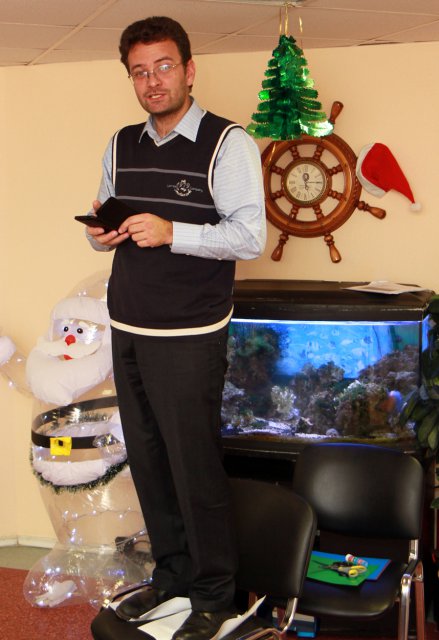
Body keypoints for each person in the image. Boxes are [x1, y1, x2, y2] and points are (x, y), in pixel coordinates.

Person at [83, 15, 266, 640]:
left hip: (190, 334)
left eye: (164, 67)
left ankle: (215, 595)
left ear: (189, 70)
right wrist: (100, 234)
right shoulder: (120, 144)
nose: (153, 81)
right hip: (128, 325)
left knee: (194, 470)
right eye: (140, 72)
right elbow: (101, 228)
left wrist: (172, 232)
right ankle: (172, 580)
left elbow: (250, 236)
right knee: (150, 466)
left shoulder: (228, 143)